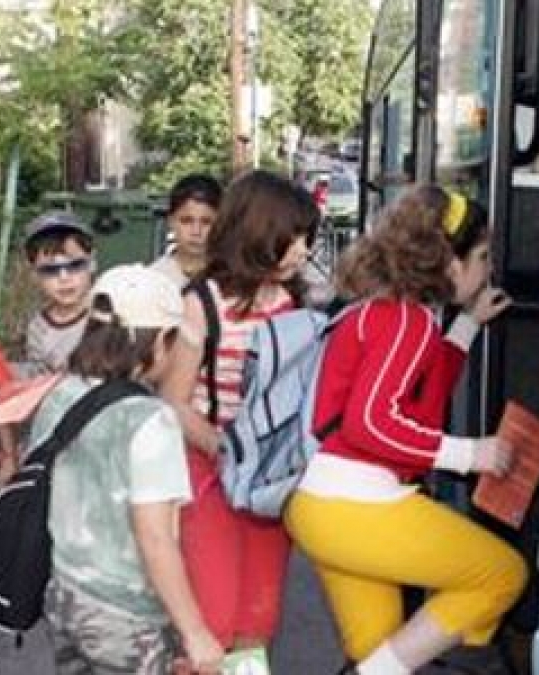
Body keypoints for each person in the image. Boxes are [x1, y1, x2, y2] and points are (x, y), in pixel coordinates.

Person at [285, 185, 528, 675]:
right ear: (450, 263)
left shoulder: (387, 311)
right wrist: (469, 454)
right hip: (359, 505)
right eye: (482, 257)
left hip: (324, 507)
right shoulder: (408, 320)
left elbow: (418, 401)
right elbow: (373, 422)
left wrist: (467, 326)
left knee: (382, 649)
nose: (487, 270)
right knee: (501, 574)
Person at [161, 170, 320, 652]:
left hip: (270, 478)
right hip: (210, 468)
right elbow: (173, 399)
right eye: (294, 238)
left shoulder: (296, 302)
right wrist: (222, 449)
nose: (304, 251)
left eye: (306, 239)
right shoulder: (203, 302)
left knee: (260, 614)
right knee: (214, 615)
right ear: (257, 233)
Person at [38, 264, 224, 674]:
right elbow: (155, 538)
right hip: (126, 617)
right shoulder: (150, 420)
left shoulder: (60, 393)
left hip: (65, 593)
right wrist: (194, 632)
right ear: (158, 340)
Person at [22, 211, 96, 375]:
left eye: (75, 265)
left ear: (92, 263)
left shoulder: (108, 315)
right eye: (50, 270)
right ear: (35, 275)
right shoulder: (38, 329)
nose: (64, 278)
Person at [151, 174, 223, 288]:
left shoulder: (231, 279)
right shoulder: (154, 280)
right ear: (171, 221)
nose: (196, 231)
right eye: (186, 221)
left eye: (206, 222)